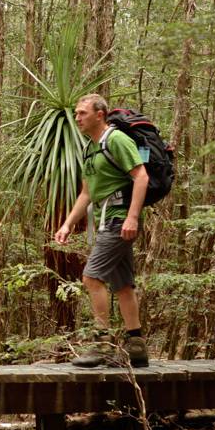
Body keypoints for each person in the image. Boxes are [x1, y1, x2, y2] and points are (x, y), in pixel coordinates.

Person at [54, 94, 150, 367]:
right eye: (76, 113)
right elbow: (86, 192)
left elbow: (141, 177)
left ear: (100, 114)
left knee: (91, 278)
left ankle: (102, 346)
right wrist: (68, 224)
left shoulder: (116, 140)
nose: (77, 118)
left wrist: (132, 218)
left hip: (119, 219)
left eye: (83, 113)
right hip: (107, 220)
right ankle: (137, 348)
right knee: (123, 285)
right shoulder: (90, 148)